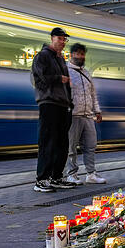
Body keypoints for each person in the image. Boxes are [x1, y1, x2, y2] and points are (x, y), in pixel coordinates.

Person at [32, 27, 75, 192]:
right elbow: (39, 79)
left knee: (62, 143)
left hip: (63, 105)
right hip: (49, 103)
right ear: (52, 38)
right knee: (48, 142)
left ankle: (56, 176)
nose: (63, 42)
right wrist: (59, 78)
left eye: (65, 39)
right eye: (60, 39)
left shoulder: (60, 59)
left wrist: (70, 103)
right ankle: (41, 179)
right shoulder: (42, 56)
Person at [64, 43, 106, 185]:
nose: (81, 57)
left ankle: (91, 174)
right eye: (79, 54)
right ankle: (71, 174)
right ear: (71, 55)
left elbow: (92, 94)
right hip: (73, 115)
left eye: (83, 54)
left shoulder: (86, 73)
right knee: (71, 148)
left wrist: (97, 110)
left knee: (90, 146)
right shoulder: (66, 70)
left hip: (88, 116)